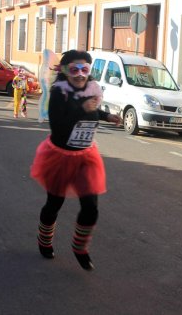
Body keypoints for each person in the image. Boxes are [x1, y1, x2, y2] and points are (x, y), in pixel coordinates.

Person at [30, 50, 122, 271]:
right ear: (65, 71)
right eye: (74, 69)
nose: (80, 74)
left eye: (85, 69)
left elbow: (92, 111)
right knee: (54, 204)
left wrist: (106, 116)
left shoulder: (91, 89)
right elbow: (59, 126)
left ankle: (80, 248)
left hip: (86, 156)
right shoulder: (59, 92)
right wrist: (81, 109)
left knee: (91, 207)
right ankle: (44, 241)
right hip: (60, 155)